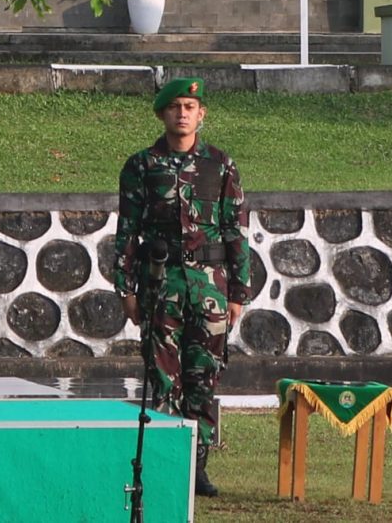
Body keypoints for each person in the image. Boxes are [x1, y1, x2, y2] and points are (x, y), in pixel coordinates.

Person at [113, 77, 251, 497]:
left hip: (210, 289)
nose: (183, 113)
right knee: (164, 378)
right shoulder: (141, 165)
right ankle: (169, 463)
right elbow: (127, 232)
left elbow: (235, 230)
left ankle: (198, 467)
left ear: (201, 114)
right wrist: (127, 290)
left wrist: (238, 292)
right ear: (162, 114)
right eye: (174, 106)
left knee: (204, 376)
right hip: (161, 286)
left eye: (190, 106)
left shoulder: (220, 165)